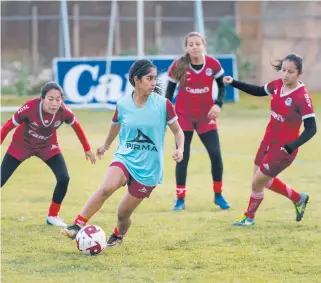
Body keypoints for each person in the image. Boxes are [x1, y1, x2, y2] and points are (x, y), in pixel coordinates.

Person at [61, 59, 184, 246]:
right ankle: (77, 225)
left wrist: (180, 148)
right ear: (137, 79)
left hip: (149, 169)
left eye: (154, 79)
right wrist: (106, 145)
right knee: (106, 188)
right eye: (149, 78)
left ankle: (118, 234)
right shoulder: (123, 104)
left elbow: (177, 130)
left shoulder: (163, 104)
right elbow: (115, 126)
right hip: (125, 157)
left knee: (123, 213)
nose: (153, 82)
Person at [223, 53, 317, 226]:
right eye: (283, 70)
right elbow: (258, 91)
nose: (286, 75)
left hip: (283, 149)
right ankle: (298, 198)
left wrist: (292, 146)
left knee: (257, 182)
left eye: (290, 71)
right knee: (260, 182)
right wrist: (233, 82)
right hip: (267, 142)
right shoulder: (277, 85)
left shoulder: (302, 98)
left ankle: (249, 218)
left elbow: (312, 128)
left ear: (299, 73)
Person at [1, 81, 96, 228]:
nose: (54, 103)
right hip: (21, 145)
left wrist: (87, 148)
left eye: (58, 99)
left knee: (64, 178)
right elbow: (7, 126)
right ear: (42, 98)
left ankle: (53, 216)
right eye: (50, 99)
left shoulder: (64, 112)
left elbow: (77, 126)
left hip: (47, 146)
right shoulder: (29, 108)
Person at [166, 31, 230, 211]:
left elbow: (222, 86)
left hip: (205, 117)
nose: (194, 47)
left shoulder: (213, 64)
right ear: (186, 47)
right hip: (183, 116)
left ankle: (218, 196)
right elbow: (169, 92)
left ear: (204, 45)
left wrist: (218, 104)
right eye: (191, 44)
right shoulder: (179, 65)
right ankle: (180, 199)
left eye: (197, 44)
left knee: (216, 155)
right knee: (182, 157)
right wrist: (169, 114)